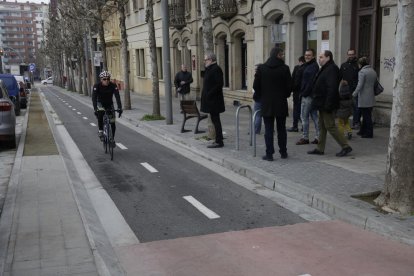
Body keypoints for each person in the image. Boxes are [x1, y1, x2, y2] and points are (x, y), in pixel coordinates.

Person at [307, 50, 352, 157]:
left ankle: (345, 146)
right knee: (322, 126)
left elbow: (331, 88)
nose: (319, 59)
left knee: (330, 126)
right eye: (319, 57)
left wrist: (328, 104)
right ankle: (320, 148)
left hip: (327, 103)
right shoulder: (326, 68)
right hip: (321, 102)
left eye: (321, 57)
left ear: (328, 58)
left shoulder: (331, 69)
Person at [253, 47, 292, 161]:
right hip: (280, 103)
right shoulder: (285, 69)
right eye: (282, 55)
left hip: (267, 103)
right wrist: (285, 95)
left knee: (269, 129)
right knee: (281, 129)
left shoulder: (262, 68)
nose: (283, 56)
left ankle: (269, 154)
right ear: (278, 55)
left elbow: (256, 86)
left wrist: (262, 96)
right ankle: (283, 152)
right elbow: (289, 86)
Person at [200, 53, 225, 148]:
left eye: (205, 59)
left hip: (214, 101)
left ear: (210, 60)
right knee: (215, 120)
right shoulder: (210, 69)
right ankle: (219, 139)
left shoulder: (216, 69)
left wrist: (209, 94)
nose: (204, 61)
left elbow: (219, 84)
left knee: (216, 120)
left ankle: (219, 141)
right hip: (211, 100)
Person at [92, 71, 123, 146]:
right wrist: (95, 109)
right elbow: (94, 98)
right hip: (100, 103)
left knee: (112, 122)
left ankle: (112, 139)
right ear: (101, 79)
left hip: (109, 104)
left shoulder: (113, 85)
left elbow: (117, 96)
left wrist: (119, 107)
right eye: (104, 79)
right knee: (100, 113)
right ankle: (101, 131)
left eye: (108, 79)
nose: (106, 81)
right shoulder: (97, 86)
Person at [296, 49, 320, 145]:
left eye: (309, 55)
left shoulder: (313, 67)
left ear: (313, 56)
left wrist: (304, 93)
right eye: (306, 55)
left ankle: (305, 137)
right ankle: (318, 137)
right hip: (309, 95)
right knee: (314, 117)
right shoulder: (308, 66)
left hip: (308, 96)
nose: (307, 56)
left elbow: (310, 83)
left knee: (304, 117)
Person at [352, 57, 377, 138]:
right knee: (366, 114)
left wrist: (354, 94)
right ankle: (362, 131)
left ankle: (369, 133)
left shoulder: (362, 72)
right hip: (371, 96)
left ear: (361, 64)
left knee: (366, 116)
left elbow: (360, 85)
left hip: (364, 97)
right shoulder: (372, 71)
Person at [339, 49, 360, 129]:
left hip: (355, 90)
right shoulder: (343, 65)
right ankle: (344, 122)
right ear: (347, 55)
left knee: (356, 107)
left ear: (355, 54)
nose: (351, 56)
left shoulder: (358, 65)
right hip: (345, 91)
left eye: (352, 54)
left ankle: (356, 123)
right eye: (349, 54)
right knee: (344, 108)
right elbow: (339, 77)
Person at [287, 56, 305, 132]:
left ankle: (297, 126)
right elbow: (293, 79)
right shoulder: (297, 68)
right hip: (299, 92)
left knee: (298, 110)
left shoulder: (301, 68)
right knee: (300, 110)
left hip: (300, 92)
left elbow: (293, 79)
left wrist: (291, 89)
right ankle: (298, 126)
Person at [252, 63, 262, 135]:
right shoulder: (266, 75)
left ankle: (256, 130)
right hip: (266, 98)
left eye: (256, 69)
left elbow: (255, 86)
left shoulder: (258, 76)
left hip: (259, 98)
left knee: (257, 115)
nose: (255, 71)